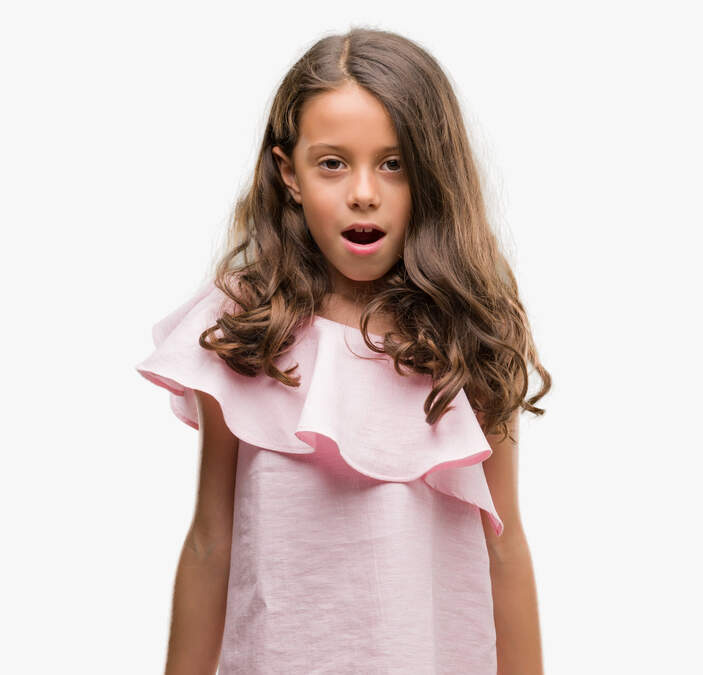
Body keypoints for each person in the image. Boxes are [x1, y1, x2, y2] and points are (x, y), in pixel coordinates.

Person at [134, 27, 549, 674]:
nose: (363, 191)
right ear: (289, 173)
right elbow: (211, 542)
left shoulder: (465, 330)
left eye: (393, 163)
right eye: (332, 163)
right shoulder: (244, 326)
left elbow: (504, 544)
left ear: (432, 172)